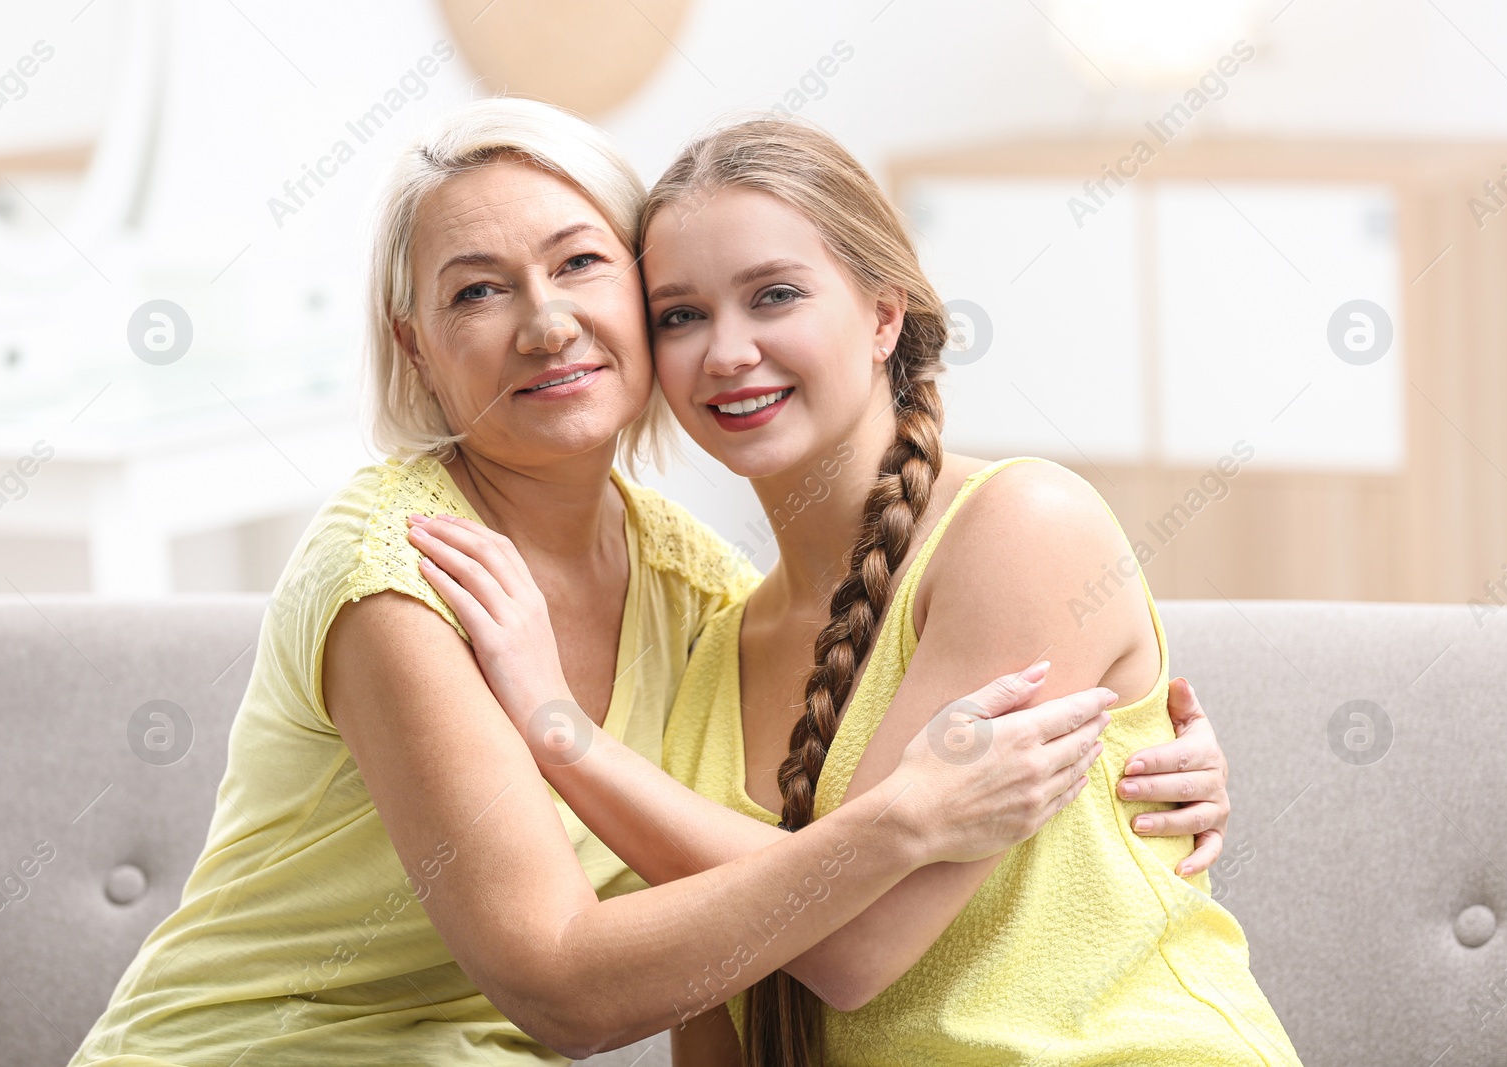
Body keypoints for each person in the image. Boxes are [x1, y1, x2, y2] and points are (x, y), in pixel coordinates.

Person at [69, 97, 1231, 1067]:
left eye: (581, 264)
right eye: (476, 290)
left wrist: (1125, 778)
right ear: (415, 345)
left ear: (886, 314)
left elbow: (770, 919)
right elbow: (588, 975)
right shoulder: (403, 575)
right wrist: (904, 816)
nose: (545, 321)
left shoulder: (702, 596)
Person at [411, 113, 1290, 1066]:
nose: (727, 352)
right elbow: (713, 988)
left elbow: (853, 946)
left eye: (775, 295)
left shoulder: (1024, 528)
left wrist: (556, 728)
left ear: (883, 315)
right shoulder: (716, 646)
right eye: (681, 314)